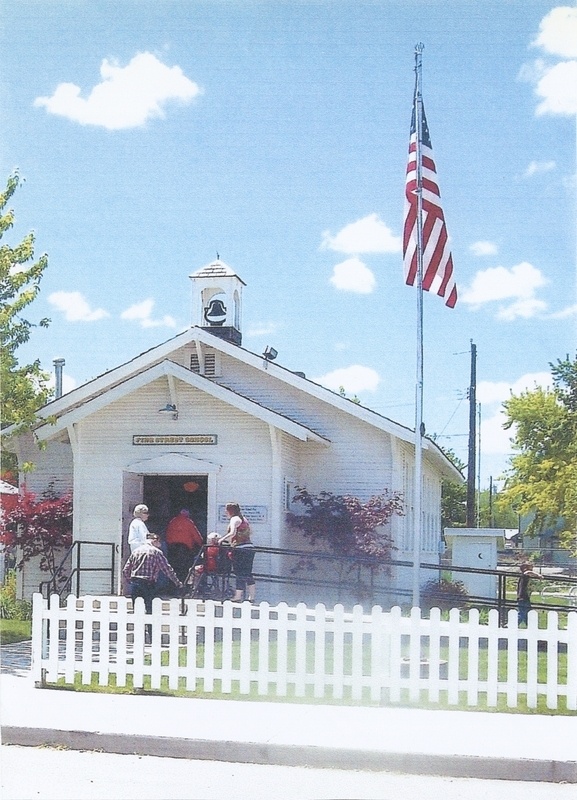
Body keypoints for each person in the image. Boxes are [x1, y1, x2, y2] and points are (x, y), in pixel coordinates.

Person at [123, 533, 184, 640]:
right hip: (148, 584)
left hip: (135, 583)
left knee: (137, 611)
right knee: (150, 610)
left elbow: (126, 569)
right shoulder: (156, 553)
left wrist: (130, 580)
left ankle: (139, 637)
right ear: (155, 541)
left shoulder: (136, 551)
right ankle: (152, 637)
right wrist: (178, 583)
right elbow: (167, 569)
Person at [219, 502, 256, 603]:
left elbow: (232, 533)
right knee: (247, 572)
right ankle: (251, 596)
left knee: (239, 572)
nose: (225, 512)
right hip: (249, 547)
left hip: (240, 548)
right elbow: (251, 532)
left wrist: (221, 539)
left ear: (230, 510)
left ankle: (237, 596)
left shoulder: (234, 519)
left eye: (226, 510)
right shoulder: (244, 519)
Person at [165, 509, 204, 582]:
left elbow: (167, 534)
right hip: (184, 549)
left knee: (173, 566)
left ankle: (172, 584)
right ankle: (184, 583)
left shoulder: (173, 521)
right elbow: (196, 535)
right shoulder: (189, 522)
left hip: (173, 548)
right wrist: (201, 543)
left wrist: (169, 545)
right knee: (185, 567)